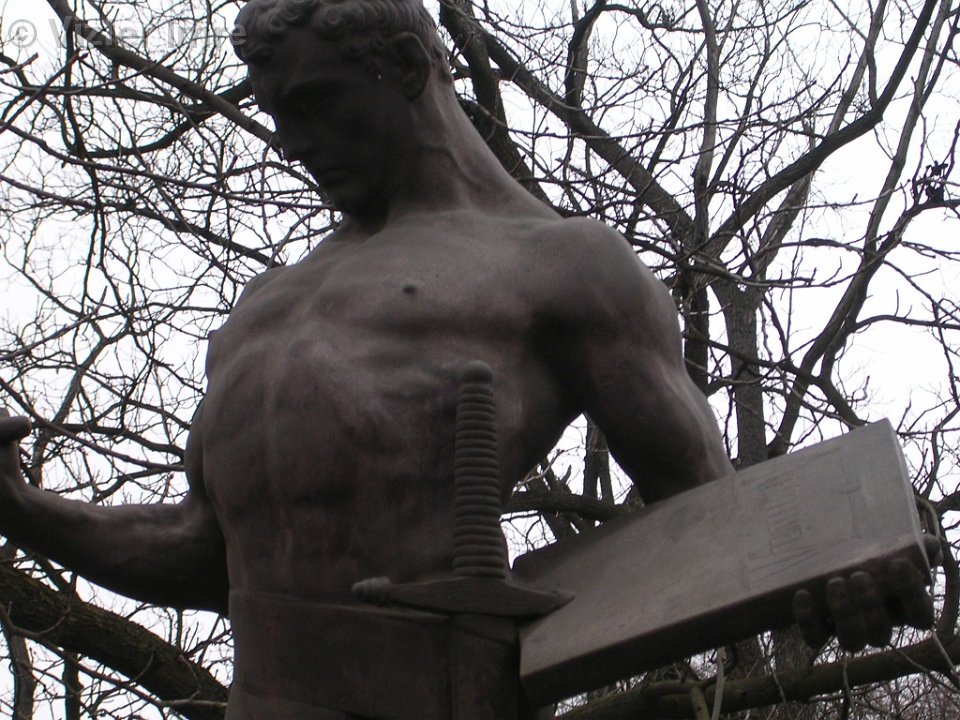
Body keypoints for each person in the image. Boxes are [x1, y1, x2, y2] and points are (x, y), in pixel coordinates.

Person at [0, 0, 935, 717]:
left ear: (409, 68)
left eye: (314, 103)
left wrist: (838, 569)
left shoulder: (565, 265)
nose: (291, 142)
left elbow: (718, 519)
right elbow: (210, 552)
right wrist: (23, 509)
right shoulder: (262, 309)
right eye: (276, 114)